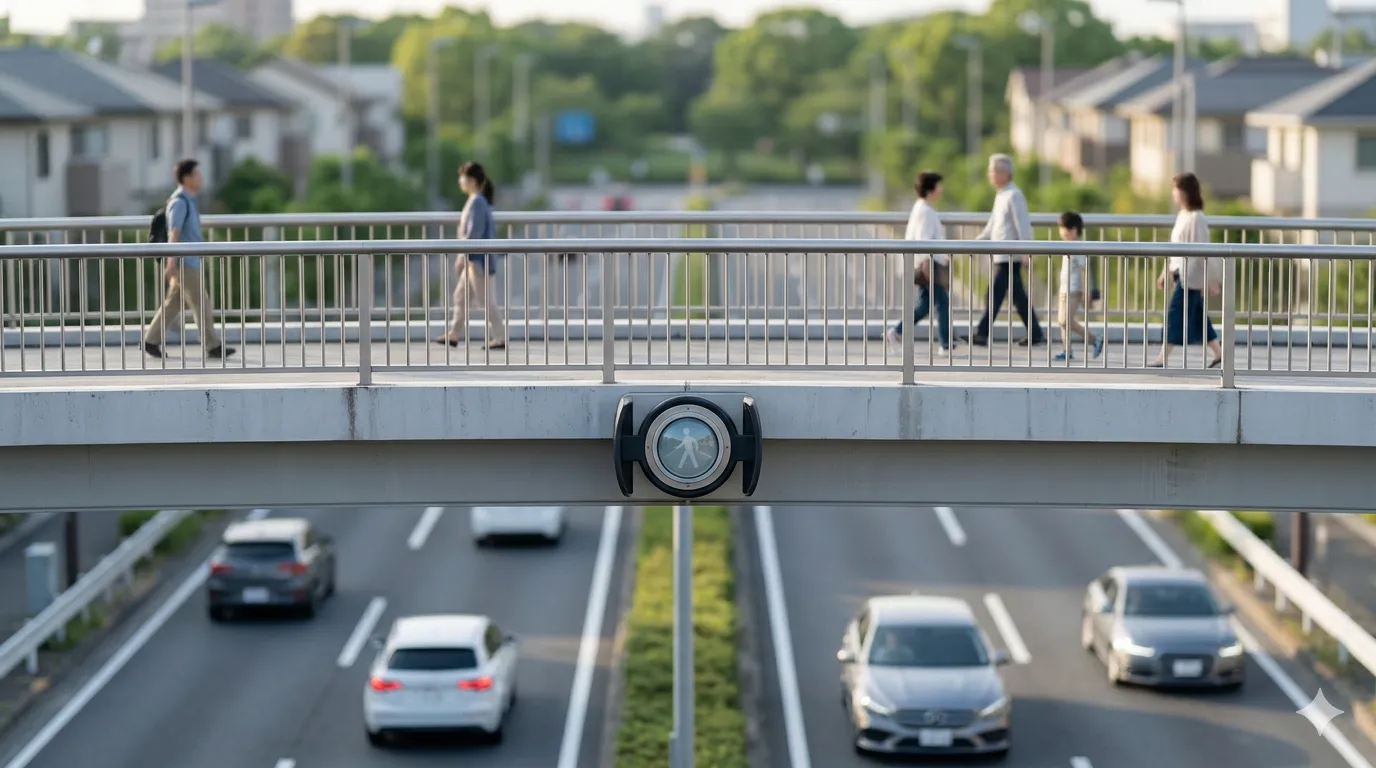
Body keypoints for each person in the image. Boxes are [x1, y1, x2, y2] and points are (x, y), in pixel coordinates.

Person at [142, 158, 234, 360]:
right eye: (197, 174)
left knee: (174, 303)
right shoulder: (179, 202)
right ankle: (212, 346)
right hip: (184, 263)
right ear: (186, 178)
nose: (200, 178)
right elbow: (173, 233)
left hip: (189, 261)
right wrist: (171, 263)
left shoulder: (189, 202)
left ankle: (150, 340)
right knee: (202, 302)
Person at [970, 154, 1047, 347]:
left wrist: (1027, 251)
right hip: (1001, 255)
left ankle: (981, 334)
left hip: (1009, 256)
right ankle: (1036, 333)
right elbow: (991, 227)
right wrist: (974, 243)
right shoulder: (1002, 194)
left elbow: (1023, 226)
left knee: (995, 295)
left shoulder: (1014, 195)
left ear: (1005, 173)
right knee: (1017, 297)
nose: (990, 175)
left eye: (993, 171)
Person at [1152, 172, 1224, 368]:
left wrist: (1210, 281)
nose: (1173, 193)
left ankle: (1162, 358)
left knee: (1175, 314)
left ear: (1184, 192)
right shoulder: (1183, 215)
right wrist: (1166, 272)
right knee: (1198, 316)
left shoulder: (1197, 218)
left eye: (1176, 189)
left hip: (1190, 276)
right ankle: (1219, 353)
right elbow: (1174, 247)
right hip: (1180, 272)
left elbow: (1203, 251)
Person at [437, 162, 507, 350]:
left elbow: (473, 233)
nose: (460, 181)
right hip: (474, 259)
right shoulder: (476, 200)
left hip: (477, 260)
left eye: (463, 177)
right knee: (460, 296)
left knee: (485, 300)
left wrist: (463, 256)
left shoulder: (477, 202)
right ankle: (454, 333)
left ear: (473, 181)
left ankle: (500, 337)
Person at [886, 171, 956, 356]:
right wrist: (929, 267)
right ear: (931, 190)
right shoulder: (925, 211)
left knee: (927, 305)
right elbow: (924, 241)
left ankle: (897, 332)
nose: (942, 189)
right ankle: (945, 344)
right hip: (927, 265)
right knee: (941, 302)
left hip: (927, 263)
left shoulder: (923, 208)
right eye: (939, 186)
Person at [1054, 211, 1103, 362]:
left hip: (1074, 290)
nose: (1062, 232)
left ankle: (1094, 339)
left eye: (1065, 229)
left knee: (1065, 320)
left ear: (1074, 230)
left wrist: (1085, 291)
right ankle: (1066, 350)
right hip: (1064, 288)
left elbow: (1084, 270)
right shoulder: (1066, 246)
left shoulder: (1079, 247)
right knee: (1062, 322)